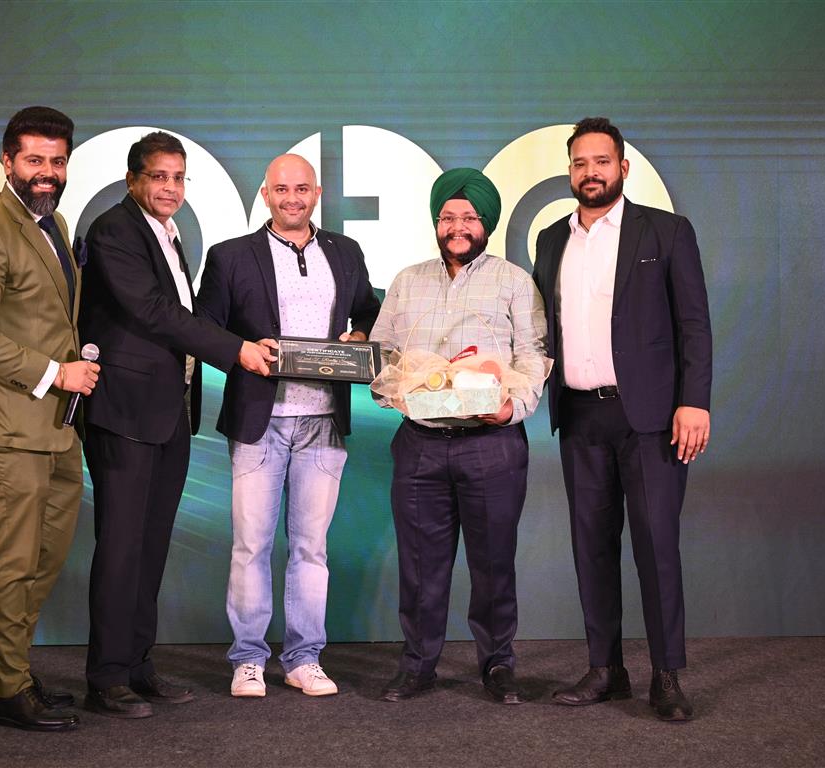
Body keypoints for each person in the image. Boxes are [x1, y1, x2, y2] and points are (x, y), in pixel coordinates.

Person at [79, 131, 276, 719]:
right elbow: (154, 312)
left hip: (167, 414)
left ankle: (138, 666)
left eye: (179, 177)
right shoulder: (115, 230)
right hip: (125, 413)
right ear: (133, 179)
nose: (170, 188)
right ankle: (107, 677)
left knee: (151, 546)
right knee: (121, 548)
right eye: (159, 176)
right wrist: (237, 350)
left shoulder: (166, 232)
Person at [532, 117, 712, 722]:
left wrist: (695, 401)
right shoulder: (550, 240)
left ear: (623, 168)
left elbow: (694, 325)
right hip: (579, 416)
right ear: (570, 171)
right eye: (580, 163)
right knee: (591, 547)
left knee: (656, 547)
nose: (591, 173)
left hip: (652, 420)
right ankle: (606, 669)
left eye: (601, 162)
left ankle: (667, 676)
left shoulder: (666, 231)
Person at [196, 154, 380, 698]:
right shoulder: (230, 256)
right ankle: (248, 660)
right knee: (250, 546)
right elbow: (202, 327)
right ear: (265, 194)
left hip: (324, 421)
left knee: (311, 548)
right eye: (281, 188)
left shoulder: (345, 251)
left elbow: (370, 310)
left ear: (317, 193)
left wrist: (359, 336)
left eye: (302, 188)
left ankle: (304, 658)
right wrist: (242, 349)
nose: (292, 197)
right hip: (259, 422)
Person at [370, 168, 548, 704]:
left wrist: (511, 406)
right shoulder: (408, 281)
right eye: (448, 217)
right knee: (420, 566)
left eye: (469, 217)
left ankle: (498, 665)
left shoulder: (514, 281)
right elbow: (382, 354)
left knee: (493, 562)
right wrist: (395, 392)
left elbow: (533, 356)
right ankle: (418, 664)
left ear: (486, 223)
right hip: (420, 443)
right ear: (436, 222)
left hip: (491, 445)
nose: (458, 227)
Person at [0, 106, 98, 732]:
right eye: (34, 160)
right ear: (7, 160)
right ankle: (9, 689)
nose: (47, 172)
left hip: (57, 426)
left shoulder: (53, 220)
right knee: (14, 562)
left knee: (45, 556)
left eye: (57, 161)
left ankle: (1, 672)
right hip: (9, 423)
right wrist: (55, 373)